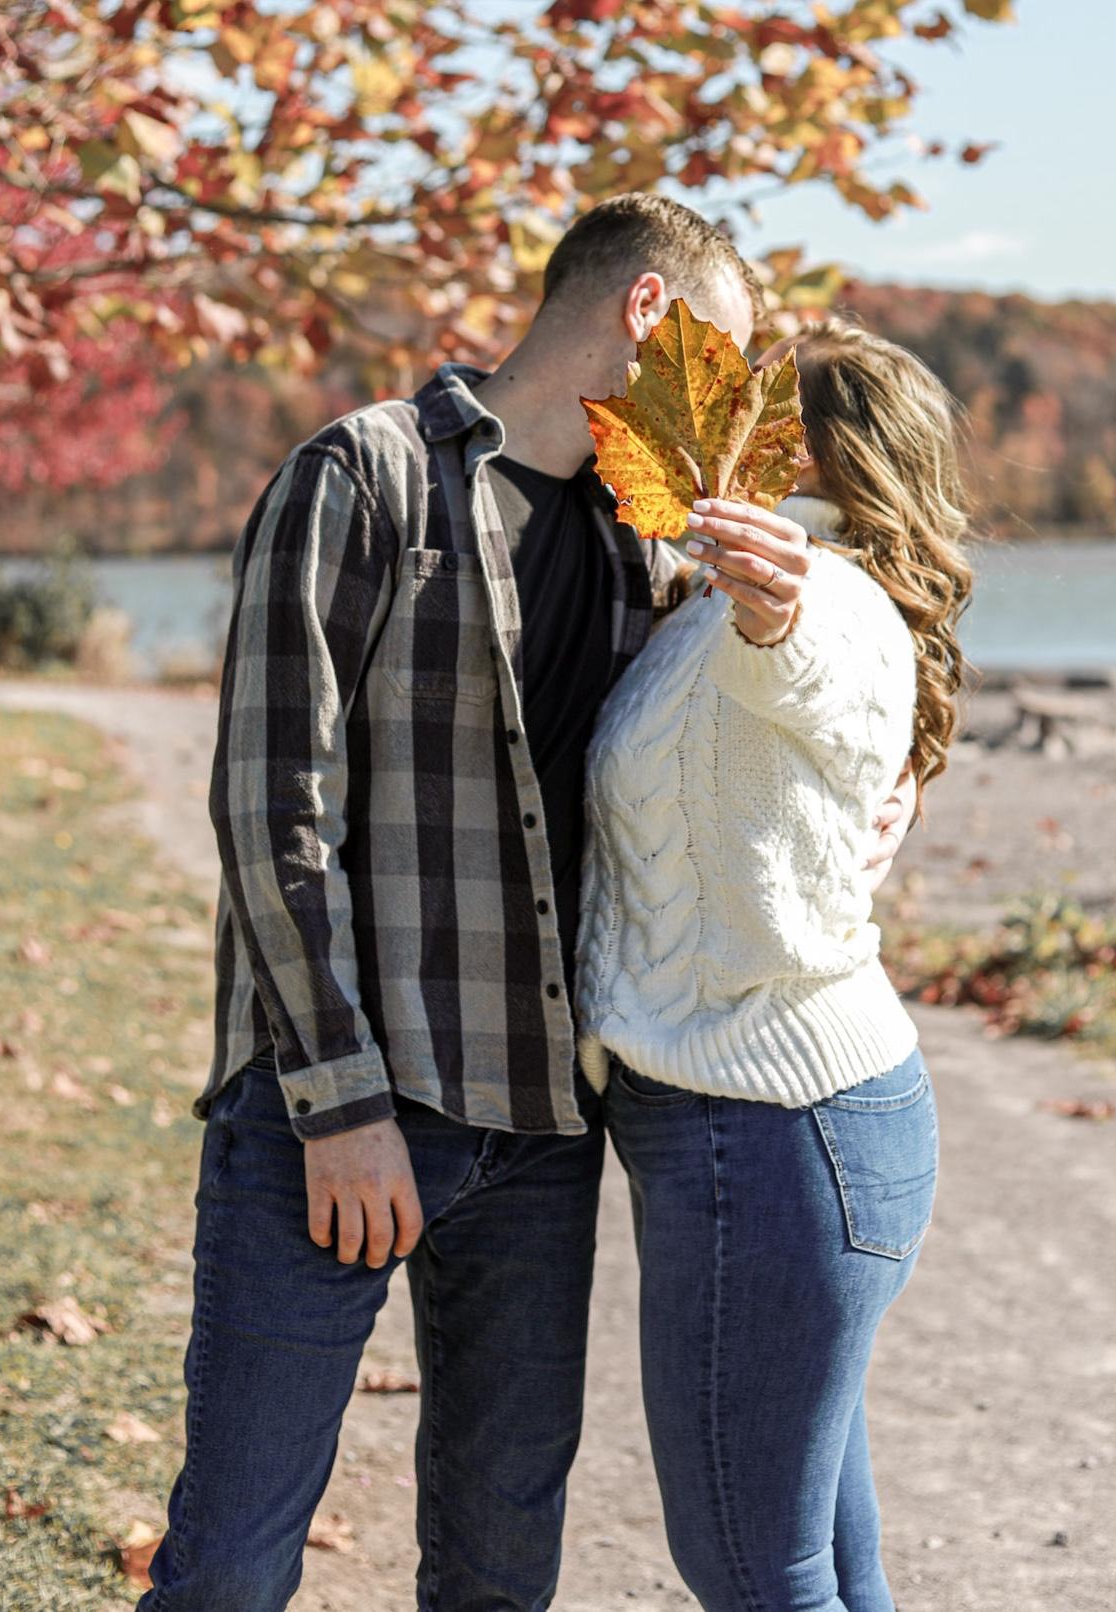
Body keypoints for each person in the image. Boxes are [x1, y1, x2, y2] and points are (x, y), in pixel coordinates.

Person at [142, 201, 912, 1612]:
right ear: (649, 313)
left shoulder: (642, 535)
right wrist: (341, 1106)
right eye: (720, 354)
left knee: (500, 1573)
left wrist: (898, 785)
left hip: (540, 1131)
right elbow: (271, 811)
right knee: (234, 1564)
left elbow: (782, 699)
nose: (725, 402)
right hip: (334, 1109)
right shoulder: (364, 475)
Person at [576, 317, 973, 1612]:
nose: (714, 416)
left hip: (767, 1138)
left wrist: (781, 610)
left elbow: (810, 656)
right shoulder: (707, 609)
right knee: (822, 1567)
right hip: (781, 1128)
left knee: (753, 1569)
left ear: (801, 451)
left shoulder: (827, 603)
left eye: (749, 404)